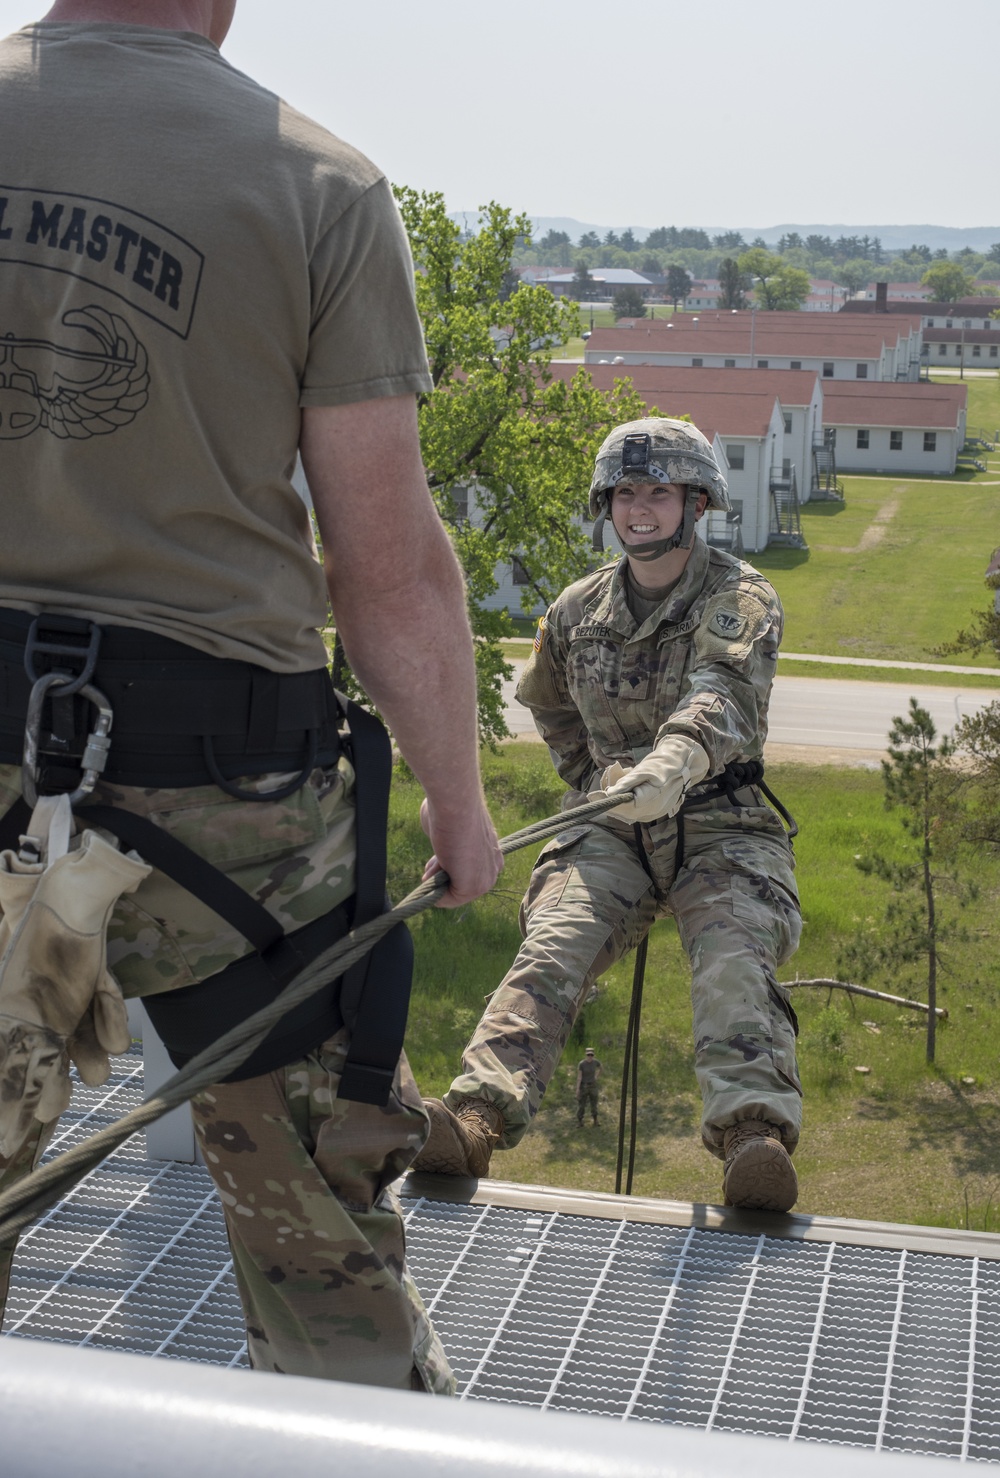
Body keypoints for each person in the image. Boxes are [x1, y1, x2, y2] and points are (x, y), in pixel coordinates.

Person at [0, 0, 502, 1393]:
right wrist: (457, 804)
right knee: (319, 1247)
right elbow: (384, 566)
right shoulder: (314, 185)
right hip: (227, 815)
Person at [415, 418, 803, 1213]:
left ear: (695, 503)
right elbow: (549, 706)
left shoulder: (738, 596)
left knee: (733, 961)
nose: (640, 509)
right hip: (611, 825)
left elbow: (722, 693)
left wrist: (677, 761)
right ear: (607, 503)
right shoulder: (575, 610)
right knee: (552, 949)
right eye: (627, 492)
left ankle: (751, 1141)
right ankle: (476, 1118)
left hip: (722, 823)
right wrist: (597, 779)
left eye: (659, 492)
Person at [575, 1047, 602, 1127]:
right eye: (588, 1055)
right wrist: (577, 1089)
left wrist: (596, 1077)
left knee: (594, 1104)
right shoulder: (582, 1064)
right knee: (582, 1105)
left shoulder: (595, 1062)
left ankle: (595, 1120)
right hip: (584, 1086)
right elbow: (579, 1077)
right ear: (586, 1055)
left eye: (591, 1055)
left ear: (593, 1055)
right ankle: (580, 1121)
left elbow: (601, 1068)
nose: (590, 1056)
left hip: (593, 1085)